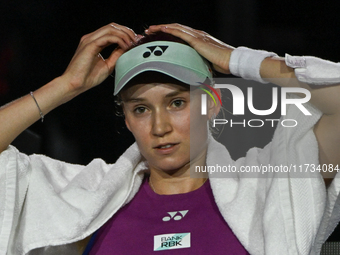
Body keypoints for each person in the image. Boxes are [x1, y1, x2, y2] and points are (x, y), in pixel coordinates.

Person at [0, 22, 339, 255]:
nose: (159, 126)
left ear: (212, 103)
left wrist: (238, 59)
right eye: (141, 109)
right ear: (127, 120)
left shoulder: (271, 185)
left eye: (176, 103)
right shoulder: (86, 202)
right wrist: (66, 86)